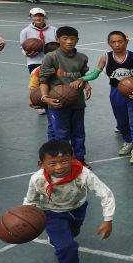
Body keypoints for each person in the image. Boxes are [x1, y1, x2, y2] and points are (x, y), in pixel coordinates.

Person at [23, 139, 114, 263]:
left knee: (72, 234)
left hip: (77, 209)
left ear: (73, 159)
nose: (59, 167)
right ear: (41, 164)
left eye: (64, 161)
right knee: (67, 246)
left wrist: (108, 220)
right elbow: (31, 201)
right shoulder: (37, 179)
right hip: (51, 213)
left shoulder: (83, 174)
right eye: (53, 163)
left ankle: (57, 239)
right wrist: (25, 218)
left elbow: (106, 194)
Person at [83, 31, 133, 165]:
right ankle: (129, 141)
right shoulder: (106, 57)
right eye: (113, 42)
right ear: (109, 43)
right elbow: (95, 74)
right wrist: (81, 79)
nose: (117, 44)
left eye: (120, 41)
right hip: (116, 91)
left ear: (126, 42)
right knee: (121, 121)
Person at [39, 26, 92, 165]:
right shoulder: (51, 57)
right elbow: (43, 80)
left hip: (77, 101)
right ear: (58, 40)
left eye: (72, 39)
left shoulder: (82, 58)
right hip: (57, 103)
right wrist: (45, 98)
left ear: (77, 40)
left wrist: (86, 85)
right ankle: (62, 161)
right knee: (61, 134)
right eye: (65, 39)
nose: (69, 41)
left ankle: (79, 159)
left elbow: (82, 76)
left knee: (79, 132)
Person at [19, 6, 57, 75]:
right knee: (36, 83)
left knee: (53, 82)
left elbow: (59, 44)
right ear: (30, 17)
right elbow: (22, 46)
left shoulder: (54, 30)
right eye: (35, 16)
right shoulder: (25, 31)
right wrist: (27, 54)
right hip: (34, 61)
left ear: (45, 17)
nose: (38, 18)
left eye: (41, 16)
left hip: (52, 61)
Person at [28, 66, 56, 141]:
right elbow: (33, 86)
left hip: (63, 99)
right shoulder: (38, 70)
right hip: (49, 100)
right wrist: (31, 100)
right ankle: (52, 144)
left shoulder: (65, 65)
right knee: (53, 124)